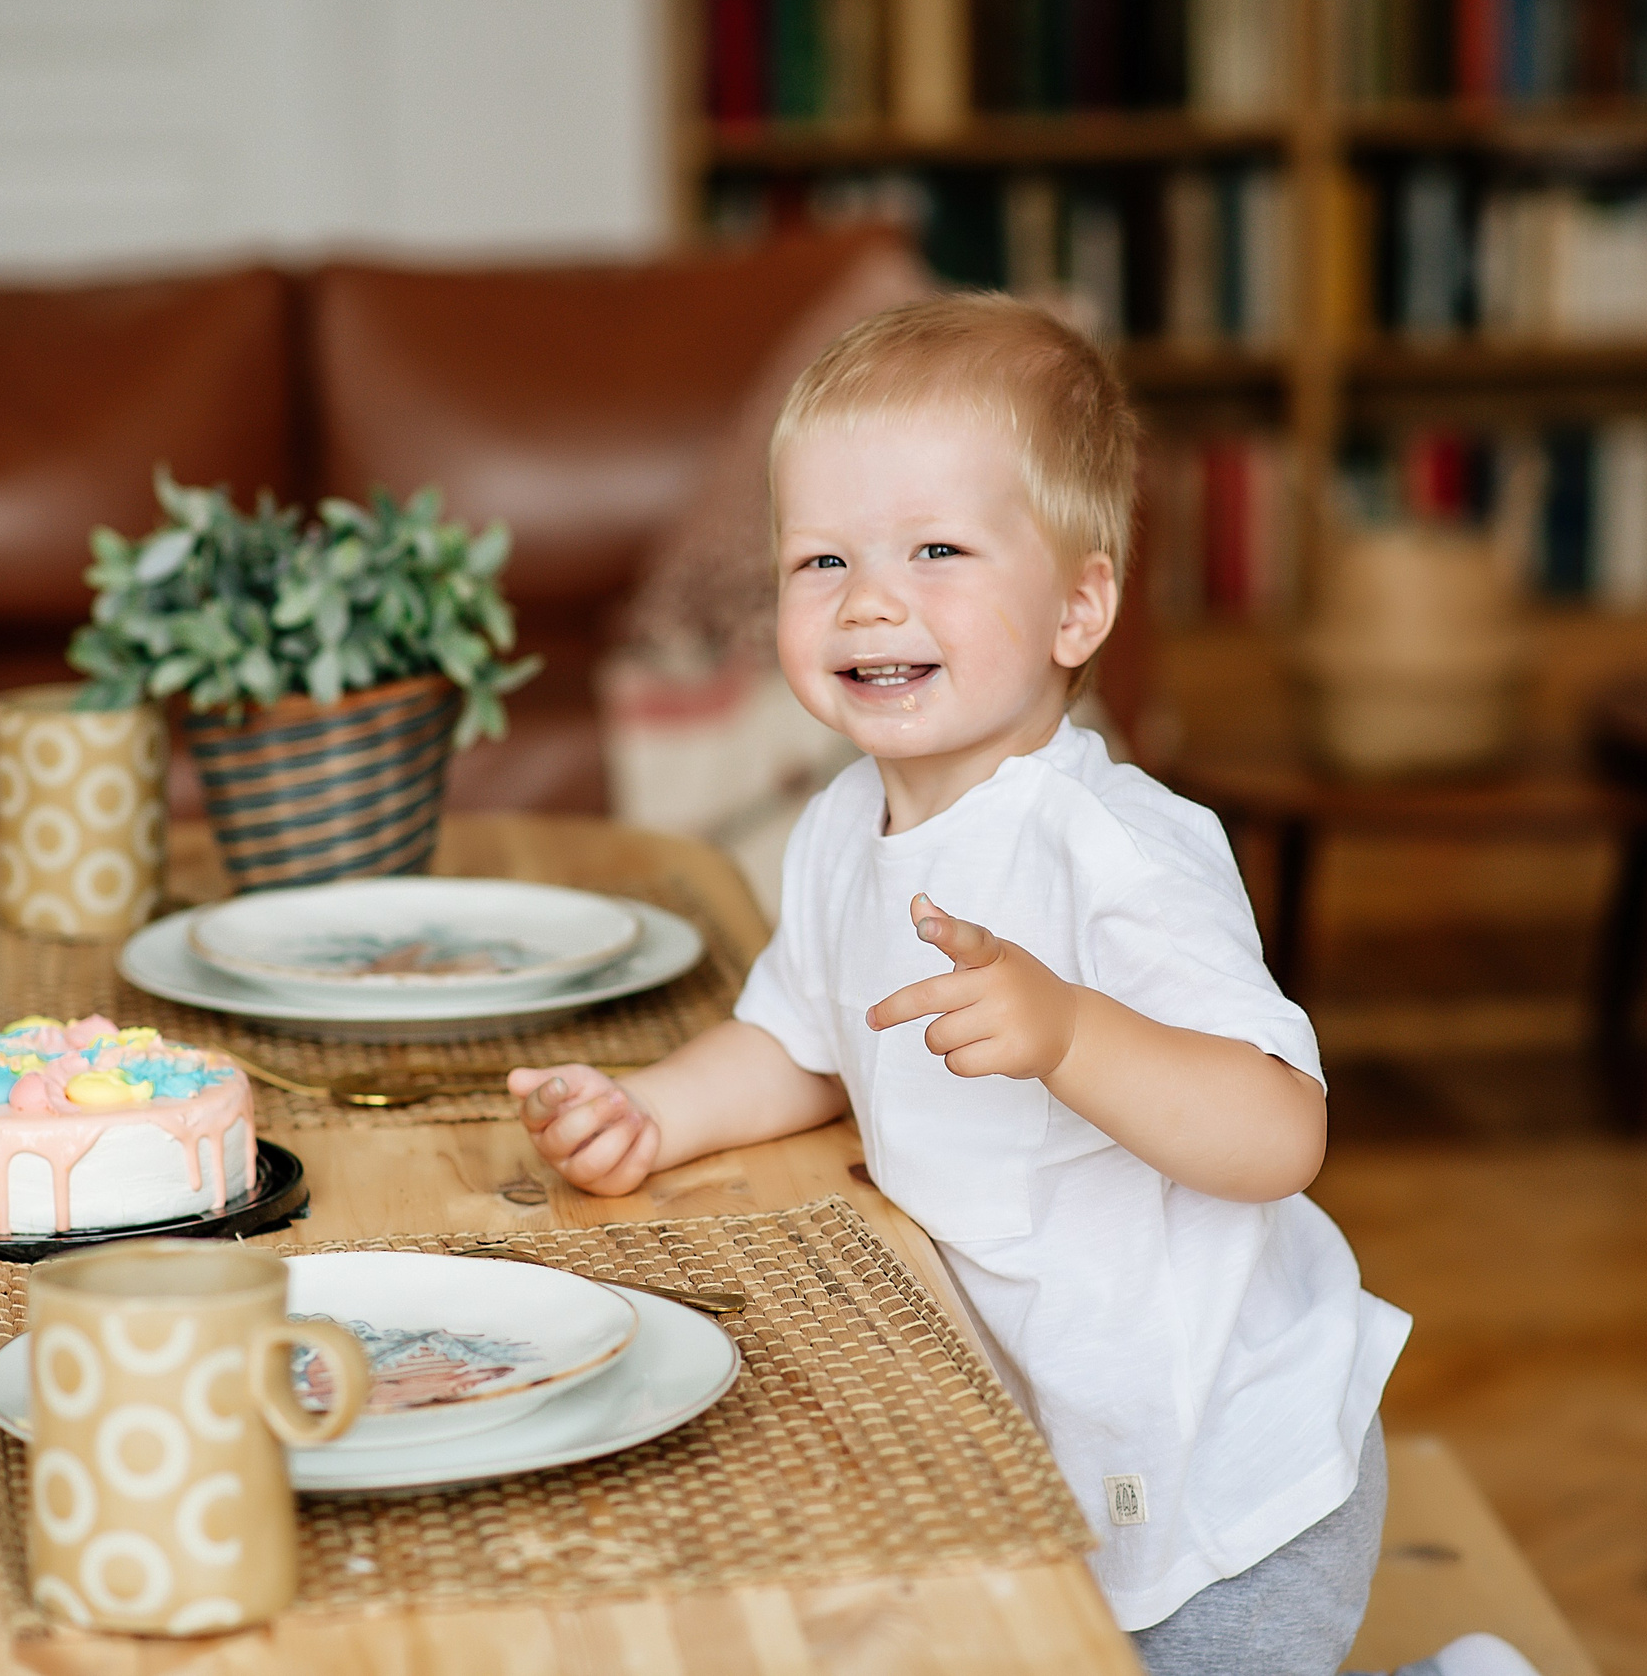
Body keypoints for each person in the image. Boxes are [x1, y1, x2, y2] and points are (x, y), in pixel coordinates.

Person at [509, 293, 1413, 1675]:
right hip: (1049, 1442)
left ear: (1080, 604)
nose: (872, 598)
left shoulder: (1112, 849)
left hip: (1230, 1473)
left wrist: (1072, 1031)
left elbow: (1278, 1133)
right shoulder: (833, 831)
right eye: (822, 560)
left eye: (937, 549)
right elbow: (800, 1042)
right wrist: (654, 1113)